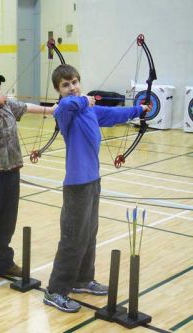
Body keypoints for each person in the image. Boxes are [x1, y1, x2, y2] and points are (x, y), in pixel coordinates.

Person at [43, 64, 150, 313]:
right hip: (76, 185)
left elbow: (115, 115)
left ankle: (82, 279)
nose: (72, 87)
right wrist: (81, 99)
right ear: (59, 90)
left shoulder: (90, 110)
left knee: (89, 234)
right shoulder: (66, 111)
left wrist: (139, 109)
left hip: (93, 181)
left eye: (75, 82)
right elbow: (66, 106)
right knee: (72, 238)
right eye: (65, 85)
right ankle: (55, 290)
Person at [0, 67, 56, 290]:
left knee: (8, 220)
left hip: (12, 169)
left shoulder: (6, 105)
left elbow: (29, 107)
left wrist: (54, 109)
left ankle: (4, 262)